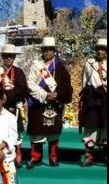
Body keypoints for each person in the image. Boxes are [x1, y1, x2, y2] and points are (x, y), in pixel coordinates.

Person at [26, 37, 73, 168]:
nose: (47, 52)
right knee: (36, 131)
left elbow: (66, 85)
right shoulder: (36, 65)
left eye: (50, 49)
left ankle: (53, 158)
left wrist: (57, 94)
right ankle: (36, 157)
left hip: (54, 103)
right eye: (45, 49)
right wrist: (45, 95)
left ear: (53, 51)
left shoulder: (59, 66)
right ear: (41, 50)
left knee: (54, 131)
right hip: (38, 102)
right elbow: (30, 84)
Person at [0, 43, 29, 167]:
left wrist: (12, 96)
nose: (8, 58)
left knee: (16, 130)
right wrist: (1, 95)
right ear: (2, 57)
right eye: (6, 56)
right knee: (0, 130)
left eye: (11, 56)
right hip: (0, 107)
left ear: (14, 57)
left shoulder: (19, 72)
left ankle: (17, 154)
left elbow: (24, 90)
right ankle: (1, 154)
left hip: (15, 106)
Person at [79, 38, 107, 166]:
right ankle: (89, 156)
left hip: (106, 98)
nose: (100, 51)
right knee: (90, 125)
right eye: (98, 49)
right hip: (92, 98)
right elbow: (84, 81)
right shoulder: (89, 63)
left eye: (103, 49)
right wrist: (85, 97)